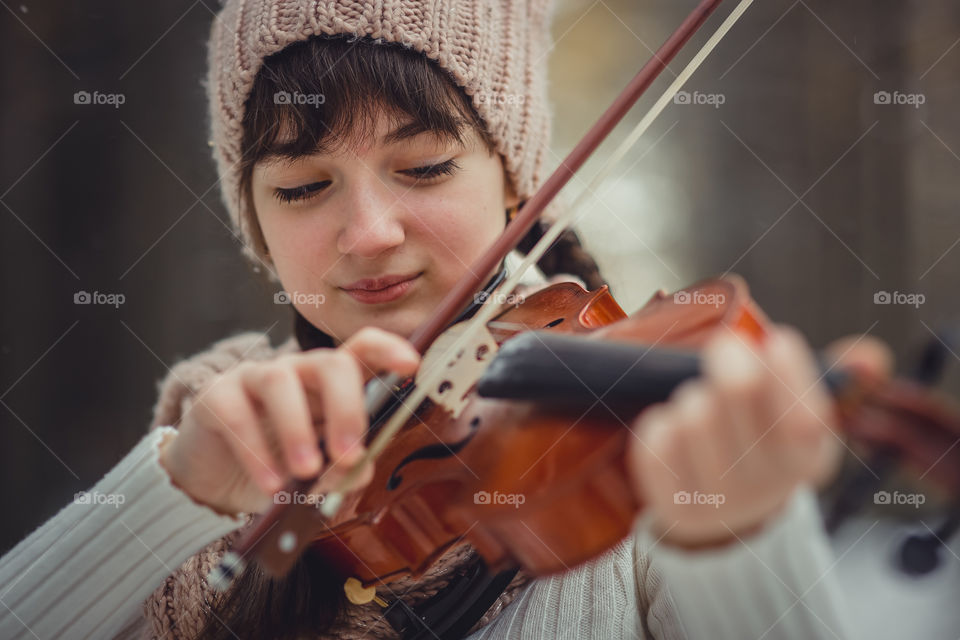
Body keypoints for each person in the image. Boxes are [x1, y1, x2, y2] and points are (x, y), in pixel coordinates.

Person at [0, 1, 891, 638]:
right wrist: (173, 495)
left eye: (423, 168)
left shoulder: (626, 464)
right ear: (258, 230)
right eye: (305, 187)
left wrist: (732, 535)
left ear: (515, 183)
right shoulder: (212, 431)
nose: (369, 234)